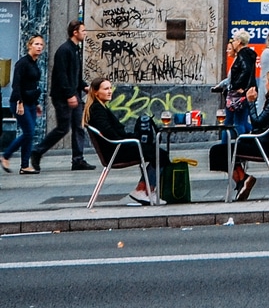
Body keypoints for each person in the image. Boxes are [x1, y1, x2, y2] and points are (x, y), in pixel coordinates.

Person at [83, 76, 165, 203]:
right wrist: (130, 139)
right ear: (95, 92)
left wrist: (133, 137)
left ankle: (146, 190)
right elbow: (110, 133)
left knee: (156, 150)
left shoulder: (99, 107)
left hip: (117, 147)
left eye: (110, 88)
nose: (110, 91)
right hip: (116, 151)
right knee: (160, 154)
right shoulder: (97, 110)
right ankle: (143, 190)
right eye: (105, 89)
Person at [226, 67, 269, 201]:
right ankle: (242, 181)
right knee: (223, 150)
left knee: (222, 151)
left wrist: (251, 102)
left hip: (262, 146)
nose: (265, 84)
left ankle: (243, 179)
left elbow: (257, 122)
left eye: (267, 81)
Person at [32, 21, 94, 172]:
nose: (85, 33)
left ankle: (78, 160)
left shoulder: (75, 50)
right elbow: (61, 75)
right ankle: (37, 151)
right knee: (62, 128)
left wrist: (84, 86)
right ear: (75, 32)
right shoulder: (64, 50)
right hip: (63, 97)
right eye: (83, 30)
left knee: (79, 126)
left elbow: (75, 74)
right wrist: (69, 95)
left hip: (74, 94)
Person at [2, 34, 45, 175]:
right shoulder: (22, 63)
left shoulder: (34, 63)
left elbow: (32, 84)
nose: (39, 47)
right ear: (30, 46)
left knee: (30, 134)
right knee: (28, 132)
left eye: (41, 45)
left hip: (31, 103)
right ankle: (6, 156)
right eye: (36, 44)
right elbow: (17, 84)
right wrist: (19, 103)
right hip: (20, 102)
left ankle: (25, 166)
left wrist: (37, 103)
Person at [225, 30, 258, 135]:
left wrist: (236, 85)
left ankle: (237, 146)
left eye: (234, 40)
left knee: (236, 123)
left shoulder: (242, 54)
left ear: (239, 41)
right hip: (246, 92)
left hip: (239, 94)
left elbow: (245, 70)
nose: (233, 42)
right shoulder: (248, 54)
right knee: (239, 121)